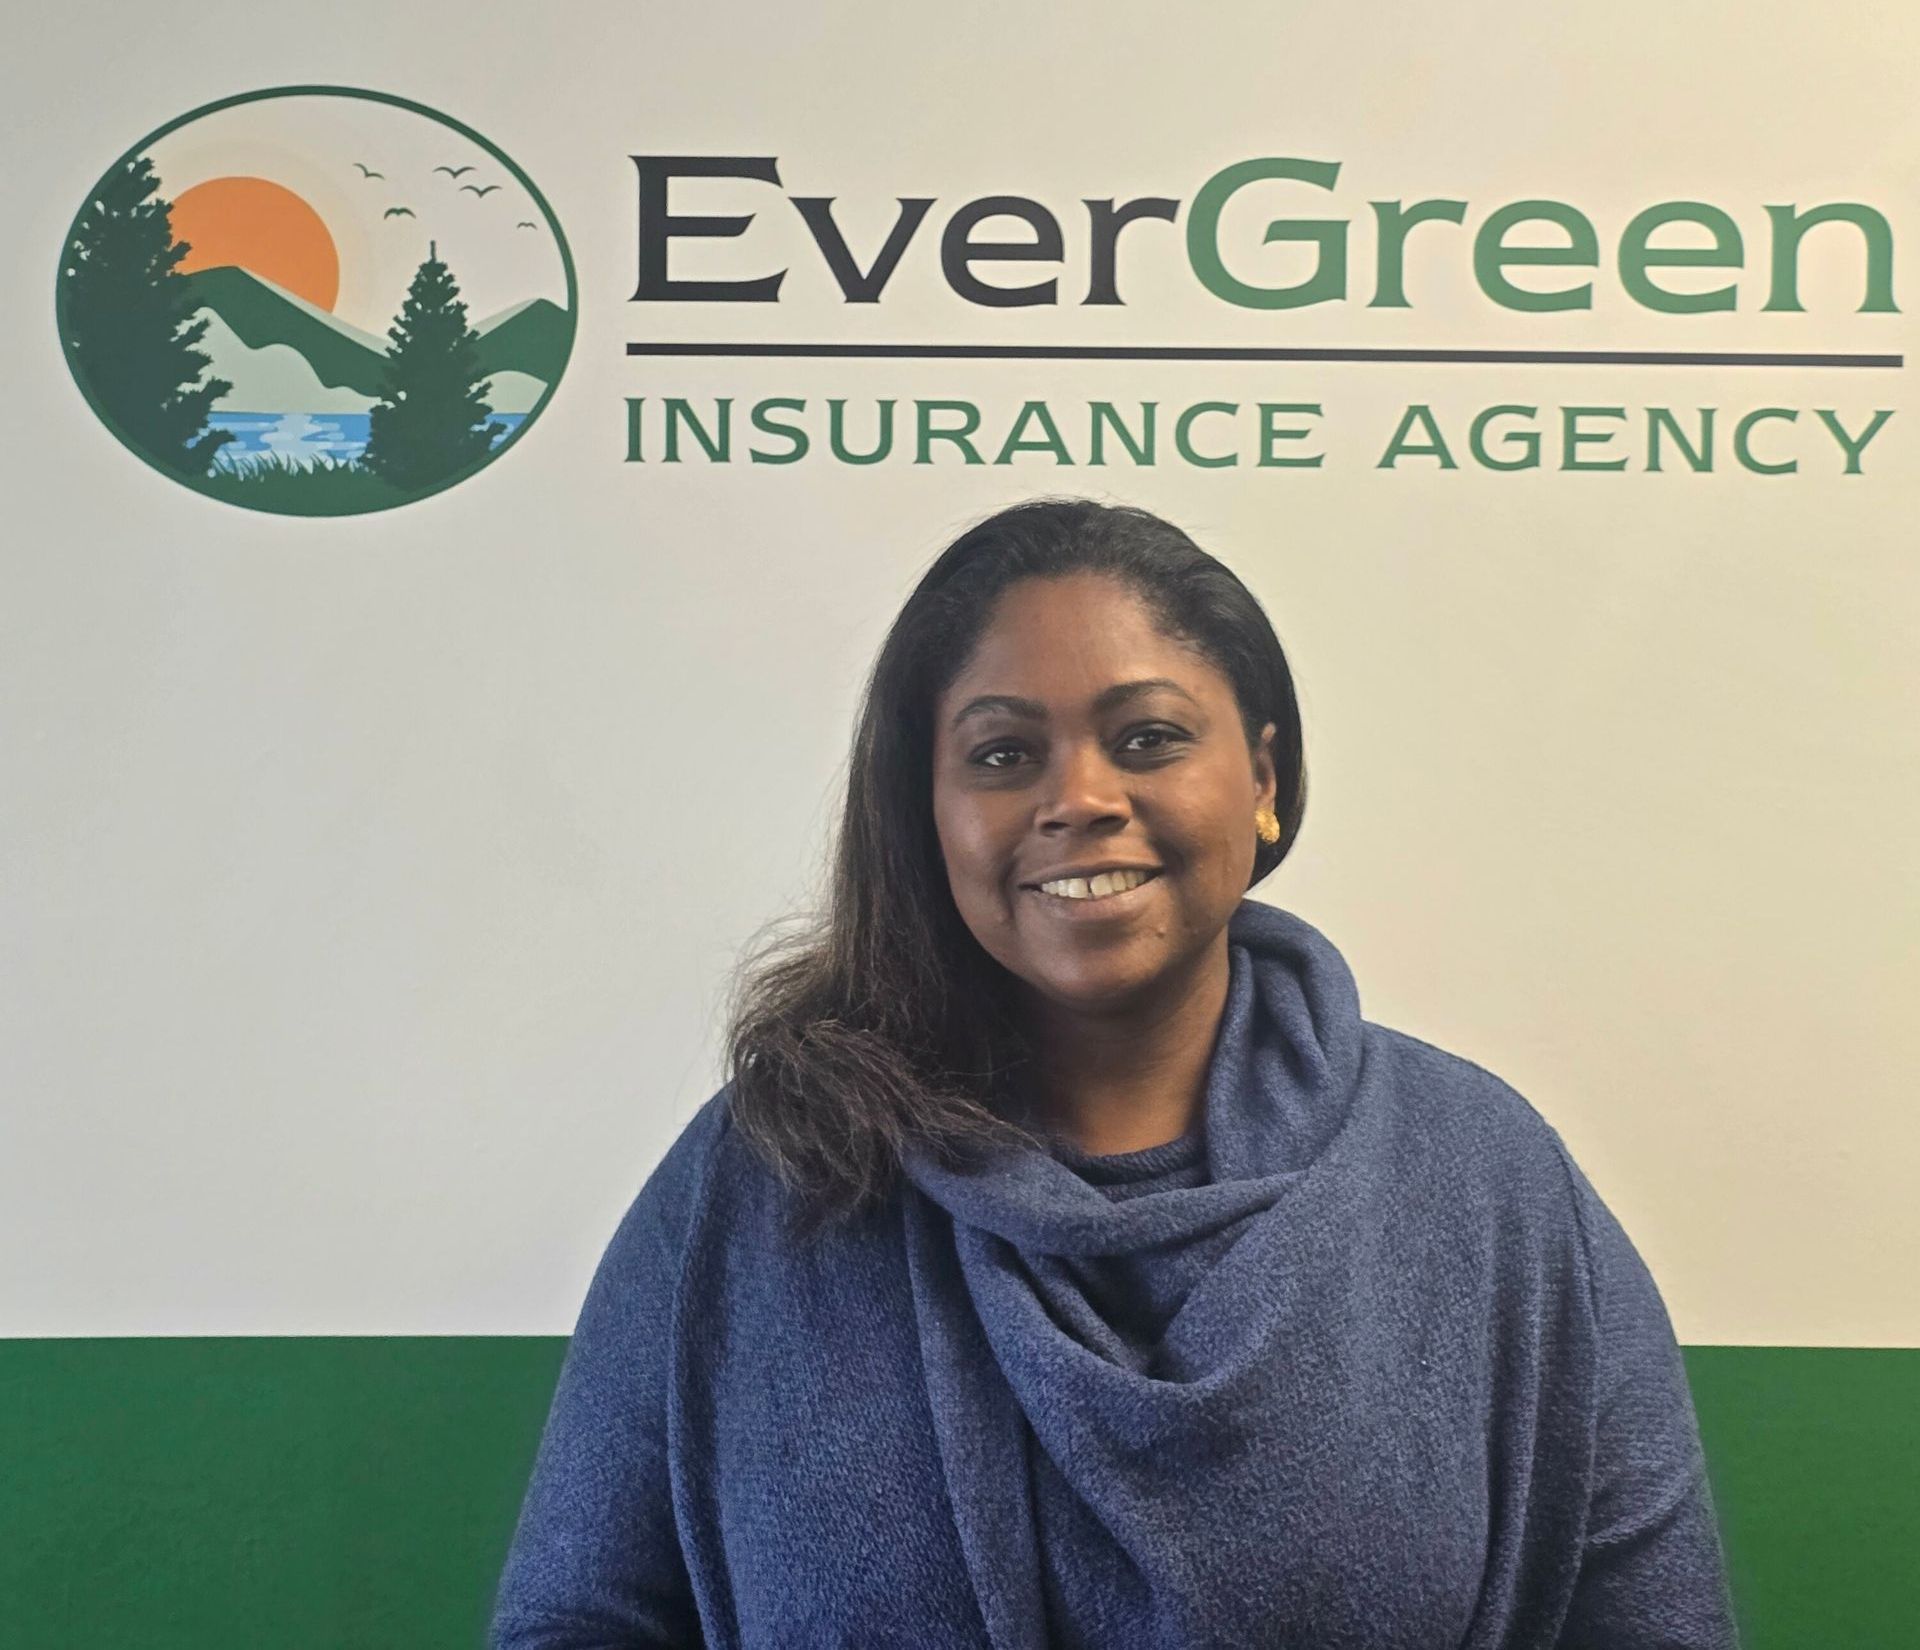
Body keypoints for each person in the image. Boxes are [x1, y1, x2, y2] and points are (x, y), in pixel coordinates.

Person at [489, 497, 1741, 1648]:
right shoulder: (768, 1177)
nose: (1079, 798)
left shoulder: (1481, 1179)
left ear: (1261, 776)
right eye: (999, 756)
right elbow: (579, 1619)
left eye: (1146, 738)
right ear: (924, 810)